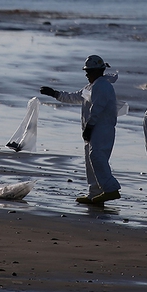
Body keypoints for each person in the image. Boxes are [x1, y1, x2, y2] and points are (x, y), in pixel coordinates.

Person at [40, 55, 121, 206]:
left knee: (97, 157)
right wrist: (55, 94)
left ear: (98, 71)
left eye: (89, 71)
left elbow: (97, 108)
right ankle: (95, 193)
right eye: (86, 71)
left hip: (102, 129)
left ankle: (111, 189)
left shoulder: (102, 86)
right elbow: (75, 97)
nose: (86, 74)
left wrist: (89, 127)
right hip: (93, 128)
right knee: (90, 161)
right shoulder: (91, 87)